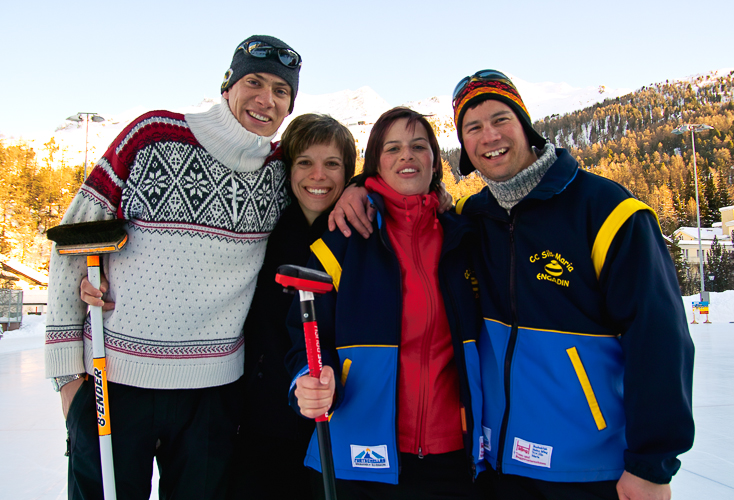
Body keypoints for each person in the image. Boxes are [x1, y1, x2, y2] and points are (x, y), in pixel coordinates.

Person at [329, 71, 695, 500]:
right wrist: (358, 189)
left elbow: (659, 339)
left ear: (526, 125)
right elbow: (406, 199)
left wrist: (652, 465)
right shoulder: (472, 220)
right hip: (498, 464)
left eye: (500, 119)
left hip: (588, 469)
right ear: (463, 146)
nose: (489, 136)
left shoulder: (607, 213)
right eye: (473, 127)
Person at [46, 35, 301, 499]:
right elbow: (71, 247)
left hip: (215, 393)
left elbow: (330, 181)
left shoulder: (282, 171)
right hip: (116, 381)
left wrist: (358, 191)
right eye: (254, 82)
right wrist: (67, 378)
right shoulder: (152, 134)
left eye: (281, 91)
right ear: (228, 86)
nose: (266, 99)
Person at [286, 107, 484, 499]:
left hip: (453, 456)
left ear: (435, 159)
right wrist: (305, 384)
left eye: (418, 146)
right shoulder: (342, 239)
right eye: (392, 148)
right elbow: (304, 335)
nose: (406, 156)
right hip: (357, 456)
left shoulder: (464, 240)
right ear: (375, 162)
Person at [230, 113, 356, 500]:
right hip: (262, 415)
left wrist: (365, 188)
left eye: (332, 164)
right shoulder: (262, 229)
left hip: (338, 413)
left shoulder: (356, 233)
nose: (318, 175)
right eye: (305, 162)